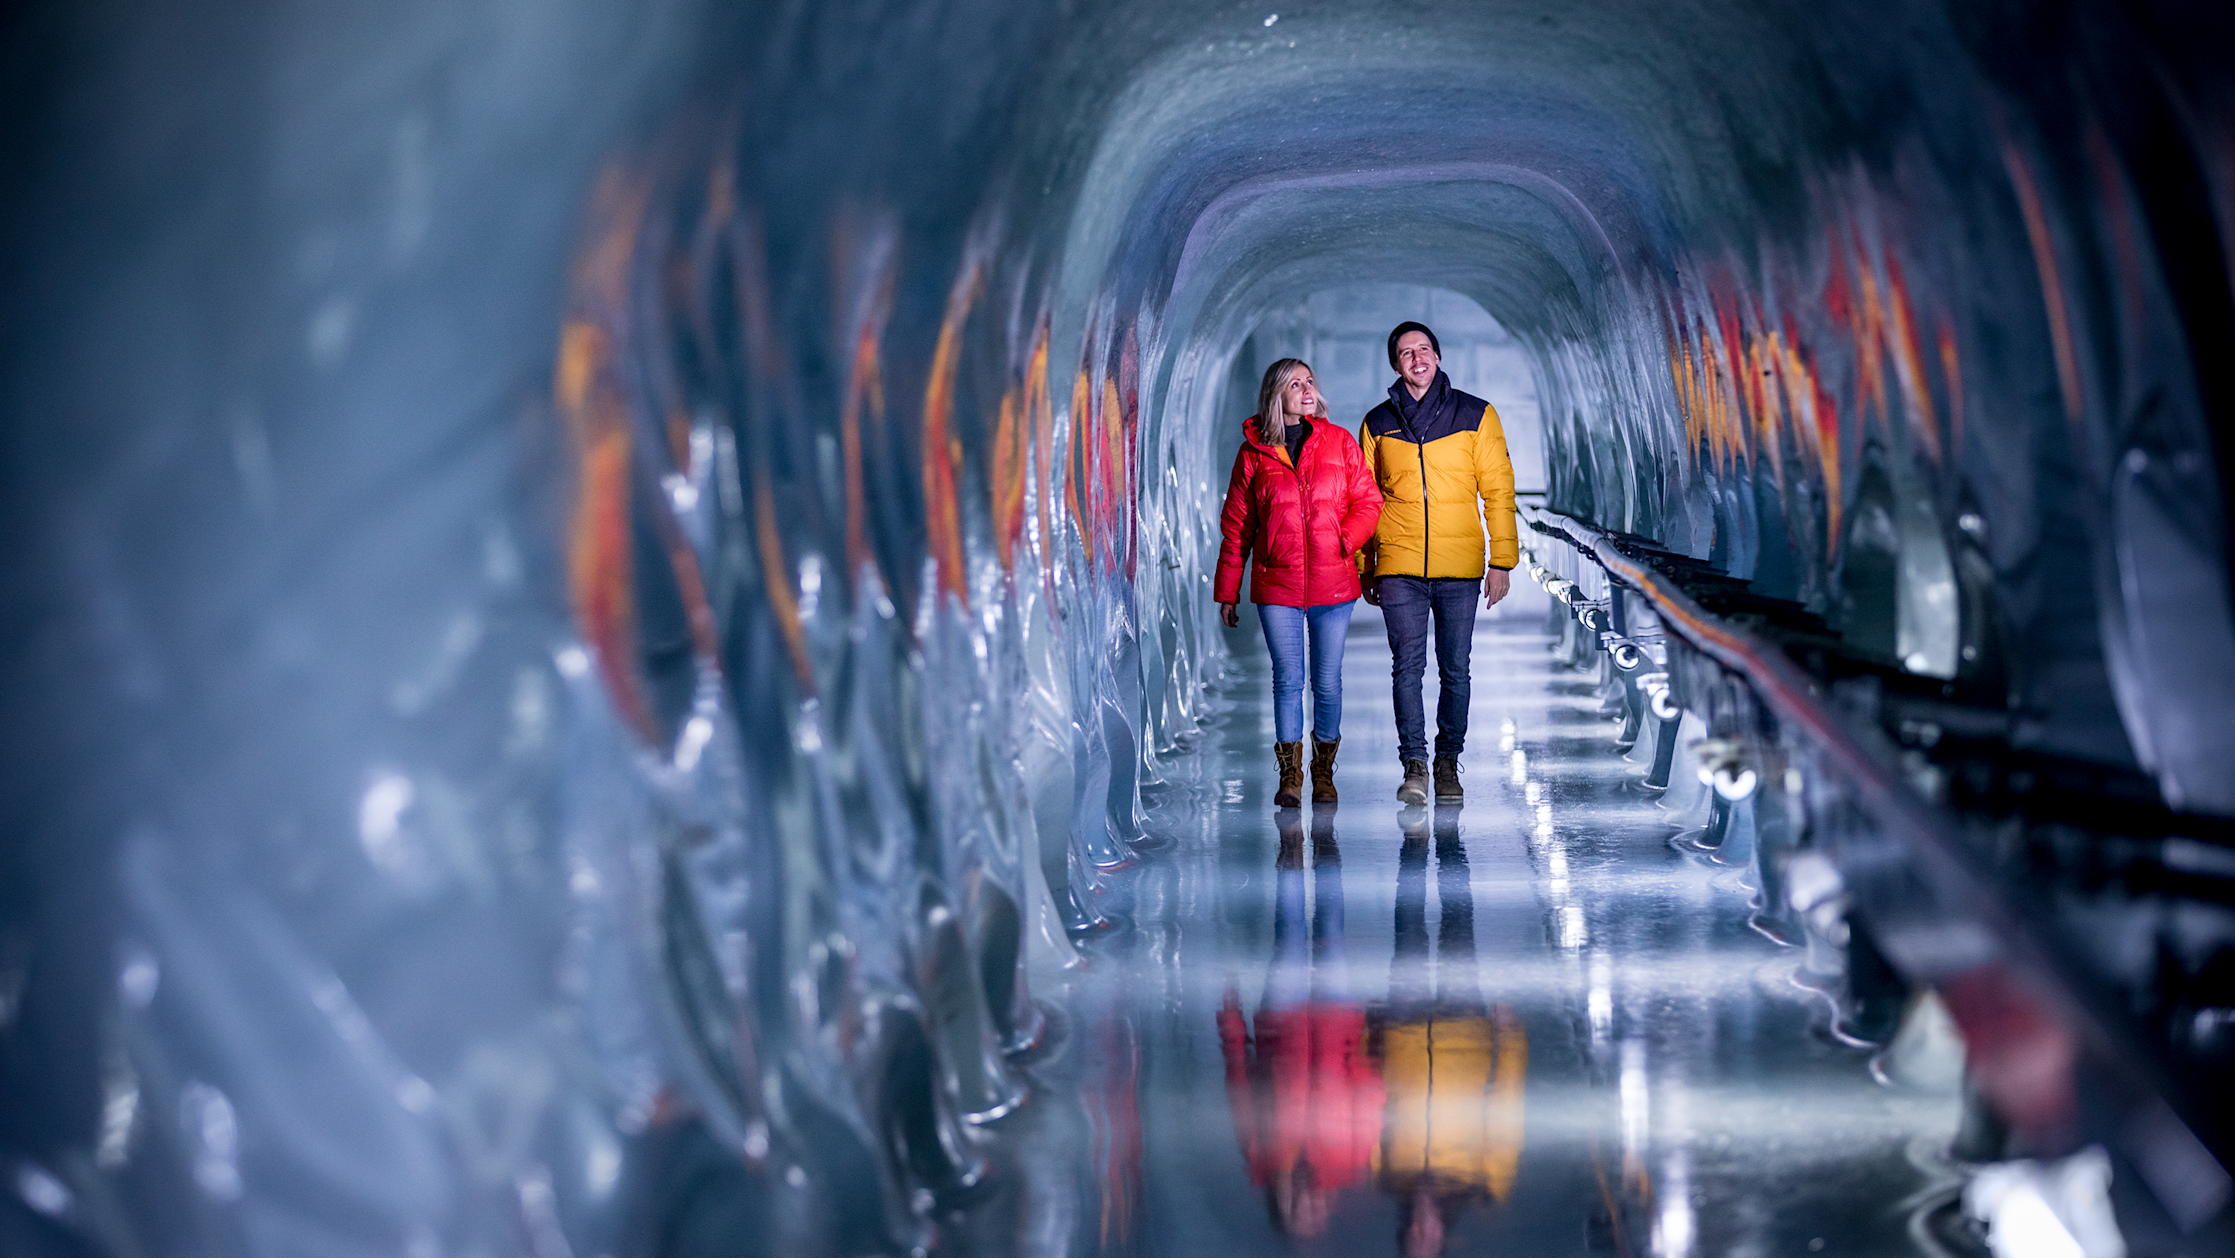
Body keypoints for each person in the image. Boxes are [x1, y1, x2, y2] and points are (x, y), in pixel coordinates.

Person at [1358, 321, 1519, 805]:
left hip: (1460, 565)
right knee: (1406, 667)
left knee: (1456, 669)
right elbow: (1363, 499)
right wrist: (1367, 563)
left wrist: (1503, 560)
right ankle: (1414, 765)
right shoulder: (1377, 424)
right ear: (1395, 365)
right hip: (1400, 563)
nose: (1417, 358)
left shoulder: (1477, 414)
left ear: (1438, 356)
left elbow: (1498, 490)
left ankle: (1447, 761)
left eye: (1424, 349)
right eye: (1406, 353)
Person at [1215, 358, 1382, 807]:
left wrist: (1344, 540)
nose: (1307, 390)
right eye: (1295, 384)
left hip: (1333, 581)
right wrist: (1227, 591)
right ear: (1276, 395)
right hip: (1278, 585)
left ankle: (1323, 772)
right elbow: (1238, 526)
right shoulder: (1254, 453)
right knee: (1288, 679)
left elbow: (1369, 500)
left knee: (1326, 681)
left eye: (1310, 381)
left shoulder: (1339, 442)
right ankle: (1291, 777)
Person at [1217, 809, 1382, 1237]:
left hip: (1281, 1021)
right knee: (1330, 931)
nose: (1309, 1203)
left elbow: (1241, 1084)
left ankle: (1292, 853)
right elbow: (1371, 1096)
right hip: (1338, 1023)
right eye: (1314, 1214)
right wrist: (1361, 1052)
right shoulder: (1350, 1164)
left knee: (1290, 934)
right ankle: (1327, 851)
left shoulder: (1260, 1155)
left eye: (1297, 1211)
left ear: (1279, 1205)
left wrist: (1231, 1024)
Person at [1375, 806, 1528, 1256]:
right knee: (1459, 927)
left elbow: (1369, 1110)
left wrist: (1371, 1038)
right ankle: (1450, 843)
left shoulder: (1386, 1178)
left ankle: (1420, 841)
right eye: (1428, 1244)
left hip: (1402, 1032)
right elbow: (1506, 1113)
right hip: (1466, 1035)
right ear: (1443, 1240)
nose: (1420, 1233)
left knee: (1407, 925)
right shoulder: (1484, 1181)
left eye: (1411, 1241)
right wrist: (1512, 1042)